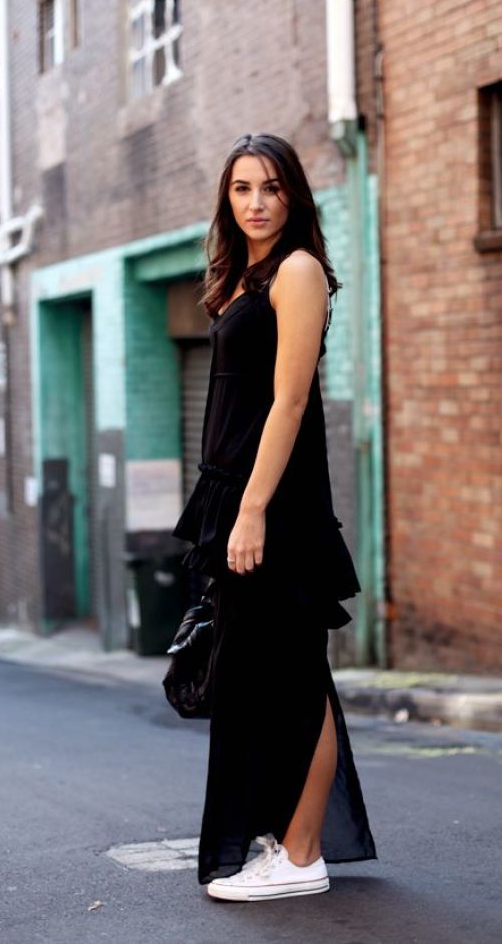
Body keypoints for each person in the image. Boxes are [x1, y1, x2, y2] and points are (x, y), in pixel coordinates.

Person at [171, 132, 377, 902]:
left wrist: (252, 511)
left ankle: (300, 857)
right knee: (265, 677)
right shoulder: (242, 276)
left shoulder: (297, 271)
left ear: (294, 196)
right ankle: (287, 839)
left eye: (271, 188)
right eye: (241, 189)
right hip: (236, 491)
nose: (256, 203)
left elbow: (289, 401)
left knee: (296, 676)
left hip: (276, 503)